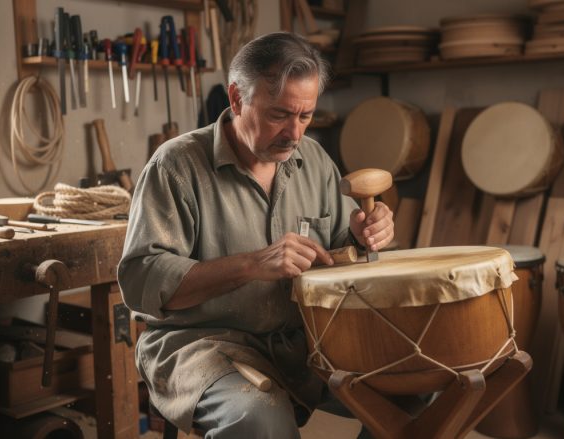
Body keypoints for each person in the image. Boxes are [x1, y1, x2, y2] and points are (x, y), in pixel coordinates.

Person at [118, 31, 394, 438]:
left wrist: (362, 236)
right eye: (279, 114)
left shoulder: (313, 159)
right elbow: (143, 281)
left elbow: (339, 258)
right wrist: (252, 264)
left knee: (417, 388)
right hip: (201, 347)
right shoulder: (175, 165)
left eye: (306, 116)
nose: (294, 134)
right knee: (260, 419)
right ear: (236, 98)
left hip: (301, 342)